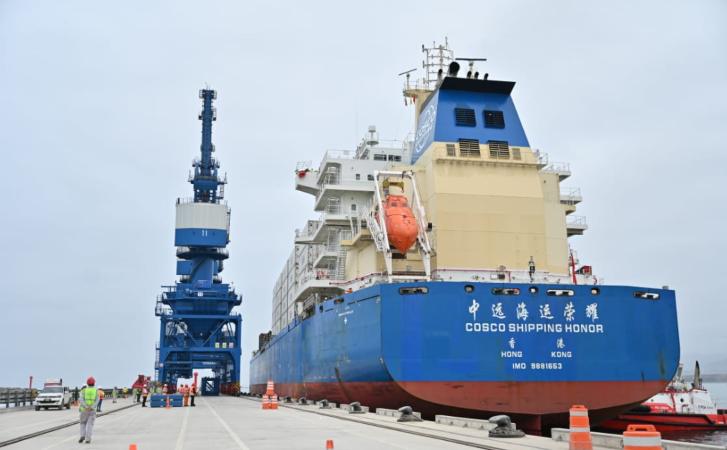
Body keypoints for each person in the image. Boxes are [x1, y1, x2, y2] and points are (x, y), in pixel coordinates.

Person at [79, 377, 99, 444]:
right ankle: (88, 439)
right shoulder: (96, 391)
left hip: (84, 410)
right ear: (94, 383)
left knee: (82, 423)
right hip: (92, 410)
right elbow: (97, 400)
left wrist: (86, 406)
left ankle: (82, 435)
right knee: (90, 425)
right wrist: (92, 407)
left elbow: (81, 399)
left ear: (87, 383)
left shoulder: (83, 390)